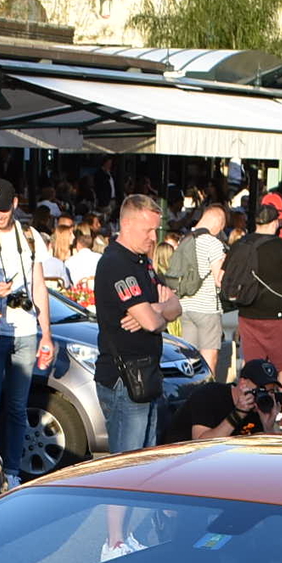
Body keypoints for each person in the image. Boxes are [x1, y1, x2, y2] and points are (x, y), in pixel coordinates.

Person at [0, 179, 57, 488]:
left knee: (16, 406)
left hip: (26, 329)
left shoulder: (31, 236)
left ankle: (11, 470)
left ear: (15, 204)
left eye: (2, 209)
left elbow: (40, 285)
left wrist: (46, 332)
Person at [92, 192, 180, 461]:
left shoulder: (143, 263)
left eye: (156, 230)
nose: (153, 238)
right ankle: (115, 507)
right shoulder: (116, 264)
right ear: (127, 225)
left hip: (148, 374)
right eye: (148, 230)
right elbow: (154, 323)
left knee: (146, 465)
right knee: (125, 468)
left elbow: (175, 305)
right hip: (125, 379)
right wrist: (157, 314)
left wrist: (155, 309)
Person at [227, 202, 282, 429]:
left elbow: (223, 277)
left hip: (247, 313)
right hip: (276, 314)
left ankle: (249, 409)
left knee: (251, 366)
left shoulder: (241, 243)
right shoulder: (280, 246)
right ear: (274, 223)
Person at [171, 202, 229, 377]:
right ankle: (206, 391)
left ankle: (190, 390)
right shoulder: (212, 243)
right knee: (209, 354)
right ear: (218, 224)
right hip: (207, 308)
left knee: (190, 355)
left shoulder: (185, 239)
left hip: (186, 305)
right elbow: (219, 279)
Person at [171, 357, 282, 440]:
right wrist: (238, 414)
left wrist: (268, 427)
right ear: (243, 383)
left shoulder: (260, 407)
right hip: (181, 461)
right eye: (261, 389)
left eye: (271, 391)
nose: (265, 395)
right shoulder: (209, 395)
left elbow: (266, 457)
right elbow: (201, 444)